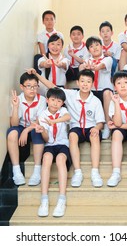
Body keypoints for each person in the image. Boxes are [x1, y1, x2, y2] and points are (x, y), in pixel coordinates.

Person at [26, 68, 105, 188]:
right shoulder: (71, 94)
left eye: (88, 81)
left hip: (90, 127)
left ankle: (95, 172)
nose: (85, 84)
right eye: (82, 81)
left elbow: (100, 122)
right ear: (77, 83)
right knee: (72, 136)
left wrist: (97, 128)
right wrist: (36, 74)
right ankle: (78, 172)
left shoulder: (96, 101)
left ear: (92, 84)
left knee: (95, 136)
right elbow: (52, 86)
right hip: (76, 127)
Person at [34, 87, 71, 217]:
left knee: (61, 160)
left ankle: (62, 199)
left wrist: (54, 121)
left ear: (62, 103)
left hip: (62, 145)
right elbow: (47, 139)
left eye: (59, 101)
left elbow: (67, 117)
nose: (55, 103)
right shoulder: (43, 115)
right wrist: (42, 130)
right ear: (47, 100)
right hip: (50, 144)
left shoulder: (63, 111)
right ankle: (44, 199)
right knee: (47, 159)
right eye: (53, 100)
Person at [7, 73, 46, 186]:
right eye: (29, 86)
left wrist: (26, 130)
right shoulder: (18, 99)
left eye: (35, 86)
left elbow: (39, 121)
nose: (32, 89)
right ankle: (16, 170)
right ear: (22, 87)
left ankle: (37, 170)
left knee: (38, 130)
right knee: (12, 133)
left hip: (34, 127)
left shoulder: (42, 100)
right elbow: (14, 124)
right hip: (20, 126)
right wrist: (15, 107)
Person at [80, 36, 113, 139]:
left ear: (102, 46)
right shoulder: (87, 60)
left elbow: (102, 66)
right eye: (91, 46)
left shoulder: (108, 59)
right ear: (88, 50)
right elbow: (81, 68)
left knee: (107, 93)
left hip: (104, 90)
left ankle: (107, 126)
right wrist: (84, 67)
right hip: (92, 91)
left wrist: (95, 67)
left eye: (97, 45)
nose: (94, 48)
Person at [34, 10, 64, 74]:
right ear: (43, 22)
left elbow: (60, 49)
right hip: (46, 56)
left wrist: (56, 58)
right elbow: (43, 52)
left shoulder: (59, 34)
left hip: (56, 55)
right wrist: (48, 60)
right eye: (47, 19)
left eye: (51, 19)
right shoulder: (40, 34)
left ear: (55, 21)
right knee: (37, 57)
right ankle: (39, 78)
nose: (49, 22)